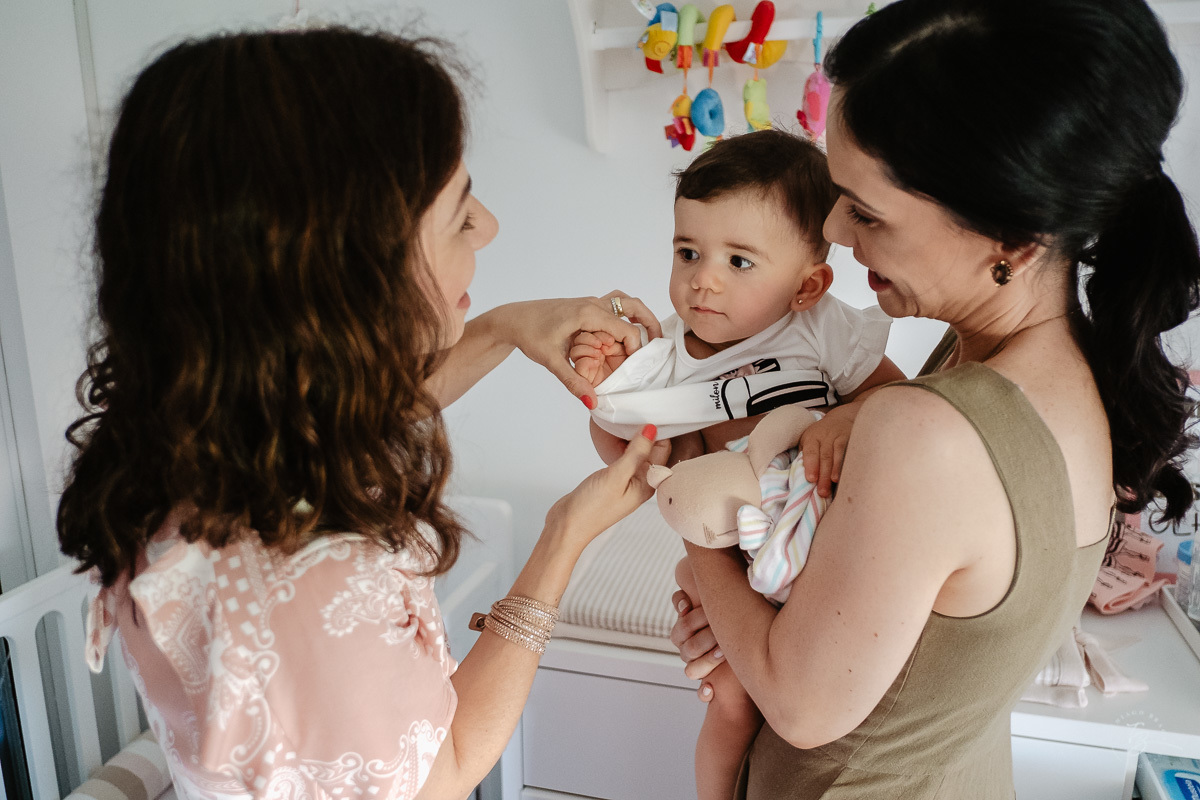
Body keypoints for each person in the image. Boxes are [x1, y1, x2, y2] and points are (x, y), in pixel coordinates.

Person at [58, 28, 670, 800]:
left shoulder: (189, 440)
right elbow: (440, 775)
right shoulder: (313, 585)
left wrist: (507, 326)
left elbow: (341, 419)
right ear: (345, 272)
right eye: (457, 214)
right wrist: (563, 539)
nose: (487, 227)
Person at [669, 0, 1200, 798]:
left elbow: (800, 702)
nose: (838, 232)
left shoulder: (931, 432)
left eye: (867, 211)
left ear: (1011, 241)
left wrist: (685, 497)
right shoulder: (1057, 364)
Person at [573, 129, 905, 800]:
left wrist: (843, 416)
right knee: (727, 697)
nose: (704, 279)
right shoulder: (666, 353)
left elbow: (893, 402)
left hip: (813, 548)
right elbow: (633, 454)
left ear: (808, 285)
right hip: (732, 558)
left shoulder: (821, 330)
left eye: (739, 261)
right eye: (688, 251)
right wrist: (603, 383)